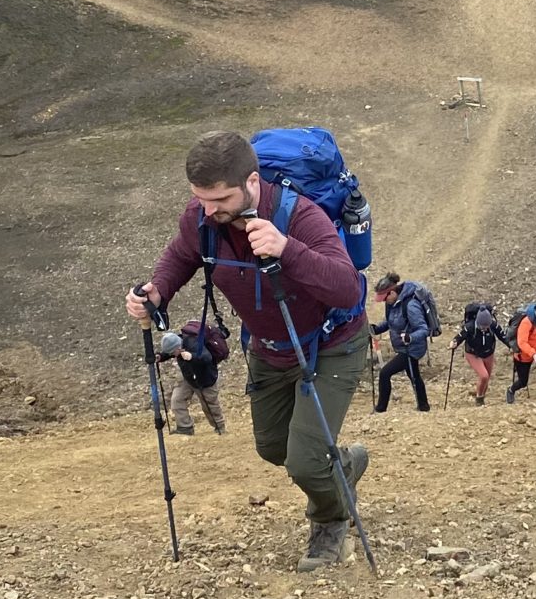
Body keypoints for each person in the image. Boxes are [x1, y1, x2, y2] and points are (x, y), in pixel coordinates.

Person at [127, 130, 372, 572]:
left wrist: (286, 249)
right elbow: (182, 254)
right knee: (273, 448)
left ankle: (331, 521)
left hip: (333, 344)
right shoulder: (203, 217)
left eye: (219, 199)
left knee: (305, 460)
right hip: (269, 349)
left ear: (253, 183)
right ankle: (344, 467)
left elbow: (345, 286)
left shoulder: (301, 218)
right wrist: (156, 292)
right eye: (199, 199)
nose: (208, 210)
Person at [371, 271, 437, 414]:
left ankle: (380, 410)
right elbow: (391, 322)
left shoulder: (411, 305)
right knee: (414, 375)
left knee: (385, 373)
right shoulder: (393, 303)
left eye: (384, 298)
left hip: (412, 348)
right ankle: (424, 407)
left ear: (392, 292)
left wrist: (410, 337)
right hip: (403, 347)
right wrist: (376, 329)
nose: (383, 301)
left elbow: (423, 329)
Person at [154, 323, 229, 436]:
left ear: (178, 347)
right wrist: (161, 356)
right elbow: (170, 352)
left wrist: (192, 356)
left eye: (173, 353)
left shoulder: (193, 343)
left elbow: (207, 357)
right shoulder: (177, 343)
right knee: (177, 400)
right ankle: (185, 427)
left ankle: (220, 428)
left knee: (209, 405)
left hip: (204, 377)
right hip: (188, 376)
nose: (173, 355)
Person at [456, 298, 509, 404]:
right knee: (483, 375)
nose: (484, 328)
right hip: (473, 354)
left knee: (486, 378)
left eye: (487, 326)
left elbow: (503, 337)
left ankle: (481, 396)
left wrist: (513, 346)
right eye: (482, 326)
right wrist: (454, 343)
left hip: (489, 353)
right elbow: (459, 337)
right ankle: (479, 399)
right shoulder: (470, 327)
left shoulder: (493, 325)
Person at [507, 302, 536, 395]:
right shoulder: (526, 322)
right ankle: (511, 390)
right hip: (524, 356)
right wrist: (534, 354)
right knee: (523, 382)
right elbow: (522, 342)